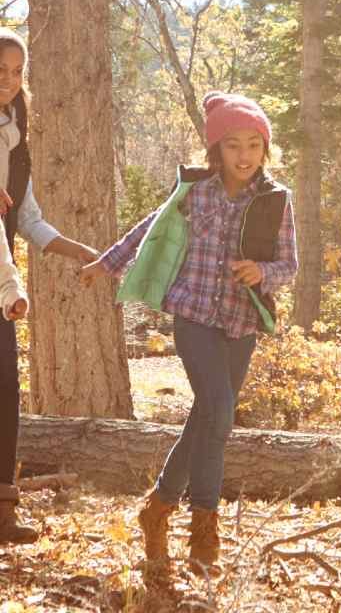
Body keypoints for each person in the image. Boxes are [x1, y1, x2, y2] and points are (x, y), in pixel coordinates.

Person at [81, 91, 298, 574]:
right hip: (194, 316)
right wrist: (108, 262)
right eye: (232, 145)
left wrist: (262, 272)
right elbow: (149, 229)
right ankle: (205, 533)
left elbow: (290, 265)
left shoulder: (276, 201)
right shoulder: (195, 192)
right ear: (215, 150)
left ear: (265, 149)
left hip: (241, 323)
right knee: (219, 412)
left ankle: (157, 507)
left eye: (253, 146)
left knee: (205, 419)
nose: (243, 156)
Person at [0, 28, 100, 545]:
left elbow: (29, 219)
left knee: (4, 395)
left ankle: (3, 512)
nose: (10, 82)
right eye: (1, 70)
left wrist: (79, 251)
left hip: (1, 281)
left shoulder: (18, 140)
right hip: (3, 280)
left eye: (18, 73)